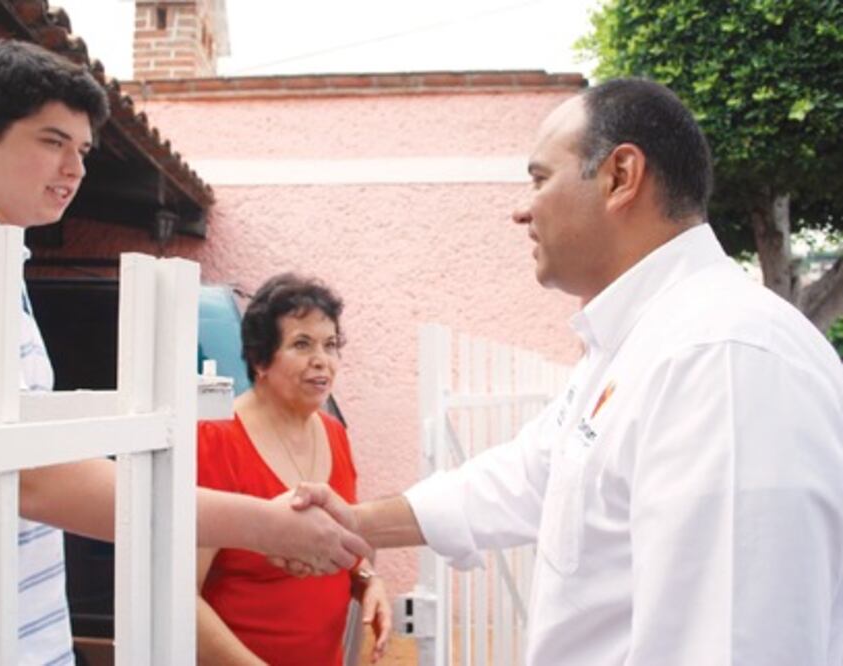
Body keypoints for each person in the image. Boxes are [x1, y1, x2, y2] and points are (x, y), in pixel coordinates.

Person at [291, 78, 843, 665]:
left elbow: (731, 646)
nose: (521, 209)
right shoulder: (638, 344)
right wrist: (354, 523)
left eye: (539, 178)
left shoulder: (718, 359)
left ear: (620, 177)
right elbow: (528, 477)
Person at [0, 40, 367, 664]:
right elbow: (29, 475)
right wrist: (263, 525)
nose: (75, 168)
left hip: (7, 634)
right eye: (52, 141)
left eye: (83, 150)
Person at [196, 273, 391, 665]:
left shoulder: (336, 435)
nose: (322, 359)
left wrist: (367, 580)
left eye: (330, 345)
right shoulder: (215, 441)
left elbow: (335, 545)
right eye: (302, 344)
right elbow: (180, 597)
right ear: (259, 359)